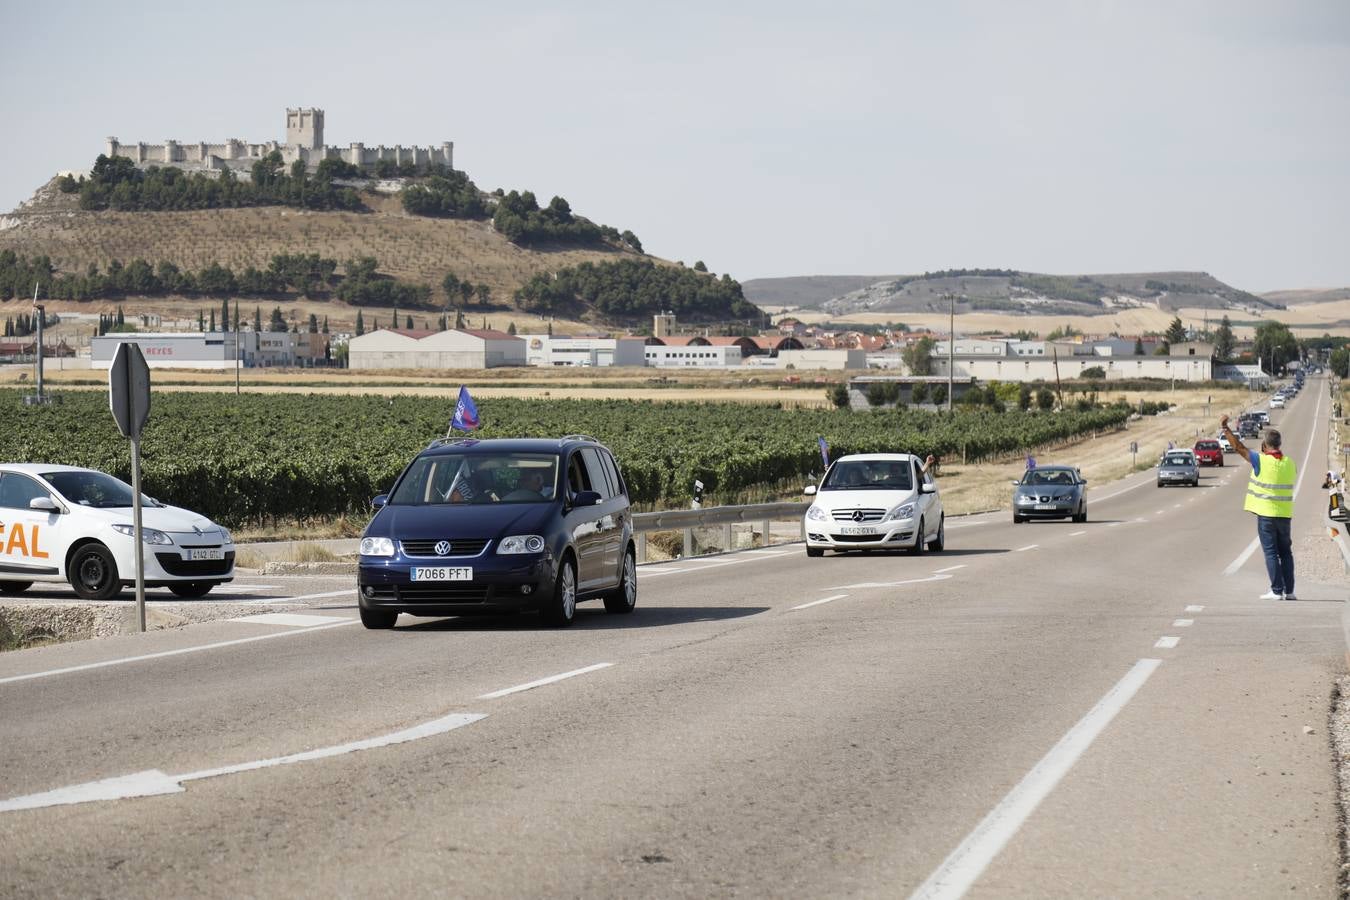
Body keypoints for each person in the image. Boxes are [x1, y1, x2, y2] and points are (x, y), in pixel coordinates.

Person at [1220, 414, 1296, 600]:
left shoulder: (1260, 460)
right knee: (1286, 553)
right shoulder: (1289, 463)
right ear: (1279, 444)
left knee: (1271, 552)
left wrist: (1226, 429)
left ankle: (1277, 590)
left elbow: (1239, 448)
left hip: (1266, 515)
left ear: (1265, 445)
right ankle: (1290, 591)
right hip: (1285, 515)